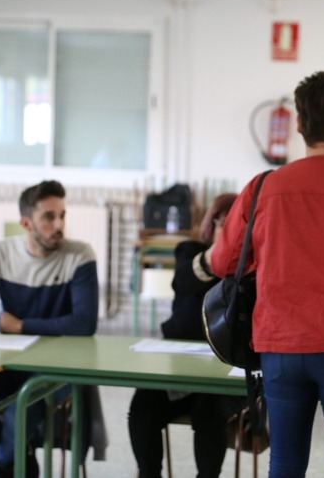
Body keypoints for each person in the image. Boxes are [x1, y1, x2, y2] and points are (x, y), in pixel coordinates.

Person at [210, 71, 324, 478]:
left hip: (279, 348)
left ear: (299, 125)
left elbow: (224, 263)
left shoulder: (262, 188)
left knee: (285, 465)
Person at [0, 180, 100, 478]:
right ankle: (15, 454)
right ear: (26, 223)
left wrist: (21, 325)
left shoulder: (80, 255)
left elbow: (84, 324)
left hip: (57, 366)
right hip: (8, 361)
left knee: (22, 416)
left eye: (62, 215)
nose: (59, 224)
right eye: (49, 217)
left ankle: (6, 458)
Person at [127, 193, 244, 478]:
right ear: (210, 225)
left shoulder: (250, 268)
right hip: (178, 370)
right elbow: (184, 280)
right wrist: (219, 254)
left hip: (222, 375)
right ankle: (148, 473)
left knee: (210, 413)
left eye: (237, 228)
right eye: (223, 224)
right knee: (142, 406)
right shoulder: (189, 251)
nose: (228, 234)